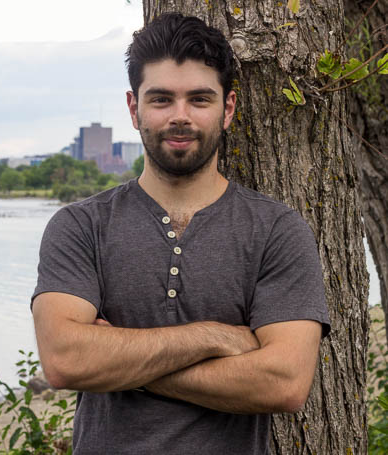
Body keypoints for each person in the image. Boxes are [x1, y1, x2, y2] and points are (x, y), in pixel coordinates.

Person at [31, 12, 331, 455]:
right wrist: (214, 336)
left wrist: (124, 365)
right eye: (161, 100)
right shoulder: (81, 226)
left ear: (227, 110)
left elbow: (284, 382)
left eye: (199, 99)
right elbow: (65, 360)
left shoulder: (276, 231)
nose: (180, 116)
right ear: (134, 110)